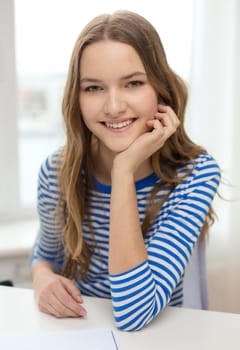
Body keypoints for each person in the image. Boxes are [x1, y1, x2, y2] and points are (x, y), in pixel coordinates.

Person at [31, 10, 221, 331]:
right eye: (93, 88)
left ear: (160, 89)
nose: (114, 106)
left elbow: (134, 312)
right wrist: (43, 280)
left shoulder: (195, 175)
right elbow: (44, 255)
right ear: (76, 98)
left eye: (133, 83)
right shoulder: (56, 171)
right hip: (77, 335)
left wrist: (123, 171)